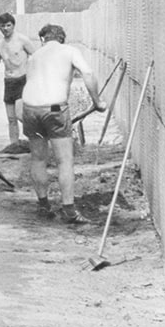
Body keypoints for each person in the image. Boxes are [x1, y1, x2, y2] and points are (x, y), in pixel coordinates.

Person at [22, 24, 106, 224]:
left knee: (38, 159)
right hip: (54, 109)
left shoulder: (34, 56)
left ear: (43, 39)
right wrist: (97, 101)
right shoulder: (69, 51)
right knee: (64, 160)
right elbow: (88, 73)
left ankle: (43, 206)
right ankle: (69, 210)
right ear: (62, 38)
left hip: (30, 109)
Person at [0, 13, 37, 150]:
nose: (6, 28)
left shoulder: (22, 40)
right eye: (3, 26)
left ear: (13, 25)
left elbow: (36, 57)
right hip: (9, 82)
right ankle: (14, 145)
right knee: (11, 118)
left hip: (23, 80)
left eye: (8, 25)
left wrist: (34, 76)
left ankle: (37, 138)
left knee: (20, 114)